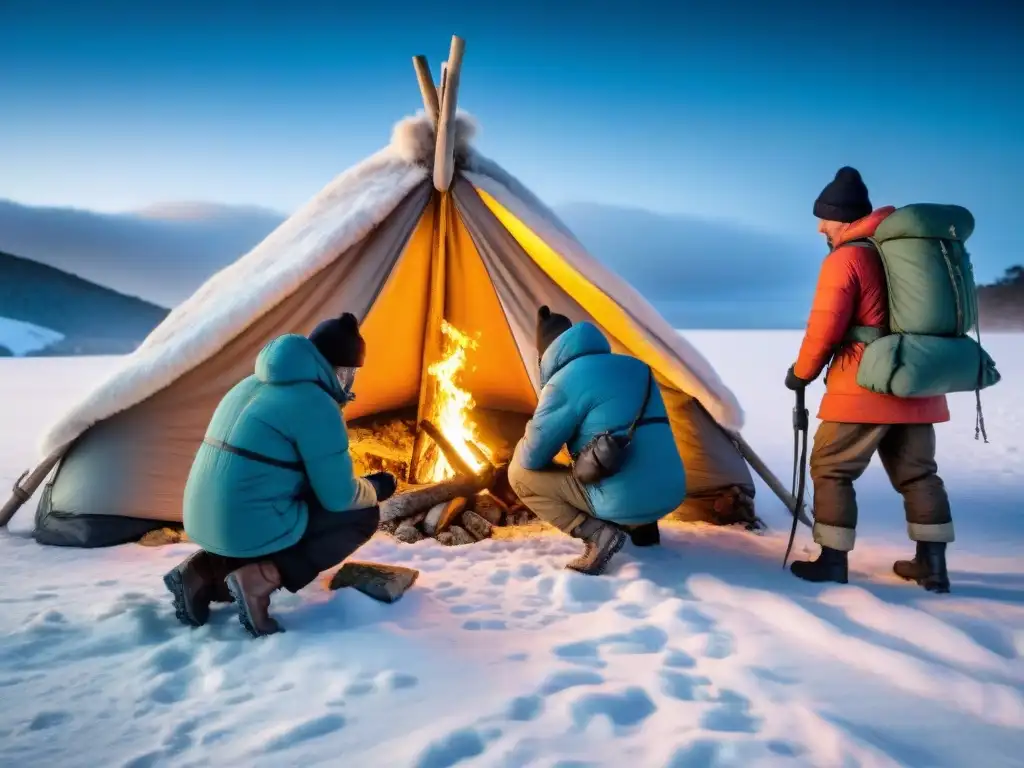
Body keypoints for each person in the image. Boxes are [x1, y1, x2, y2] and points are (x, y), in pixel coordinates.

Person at [162, 313, 397, 637]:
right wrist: (374, 487)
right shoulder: (316, 403)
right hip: (244, 524)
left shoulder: (250, 384)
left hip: (201, 518)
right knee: (361, 515)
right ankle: (259, 581)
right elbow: (339, 497)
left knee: (264, 504)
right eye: (351, 373)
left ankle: (202, 572)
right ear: (342, 370)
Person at [785, 167, 953, 592]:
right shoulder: (902, 255)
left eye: (824, 218)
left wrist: (801, 373)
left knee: (830, 467)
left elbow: (825, 326)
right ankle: (932, 566)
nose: (820, 227)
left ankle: (832, 560)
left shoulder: (848, 257)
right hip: (917, 384)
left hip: (864, 386)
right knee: (919, 474)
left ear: (842, 218)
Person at [507, 306, 687, 575]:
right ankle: (644, 529)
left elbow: (533, 456)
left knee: (520, 473)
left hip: (627, 499)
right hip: (671, 492)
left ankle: (598, 535)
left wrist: (528, 431)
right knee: (629, 452)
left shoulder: (564, 381)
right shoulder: (637, 367)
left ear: (546, 355)